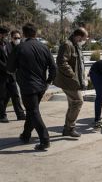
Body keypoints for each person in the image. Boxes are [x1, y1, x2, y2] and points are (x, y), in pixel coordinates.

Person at [7, 23, 56, 151]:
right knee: (31, 111)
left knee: (33, 112)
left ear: (24, 34)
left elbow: (10, 67)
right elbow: (53, 67)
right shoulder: (44, 47)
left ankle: (44, 140)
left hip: (28, 86)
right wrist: (48, 81)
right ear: (36, 33)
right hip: (41, 86)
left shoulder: (20, 47)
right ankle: (25, 135)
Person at [53, 28, 88, 137]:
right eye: (84, 38)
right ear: (78, 36)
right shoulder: (67, 45)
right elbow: (61, 62)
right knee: (78, 101)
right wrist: (72, 75)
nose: (85, 40)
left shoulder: (76, 45)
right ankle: (69, 128)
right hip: (69, 81)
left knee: (73, 103)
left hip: (74, 80)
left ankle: (68, 128)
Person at [0, 27, 25, 123]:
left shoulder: (7, 44)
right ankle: (2, 115)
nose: (4, 36)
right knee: (2, 96)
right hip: (1, 75)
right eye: (2, 34)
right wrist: (7, 68)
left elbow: (11, 57)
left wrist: (13, 67)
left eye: (5, 34)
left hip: (11, 74)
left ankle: (20, 114)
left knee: (15, 94)